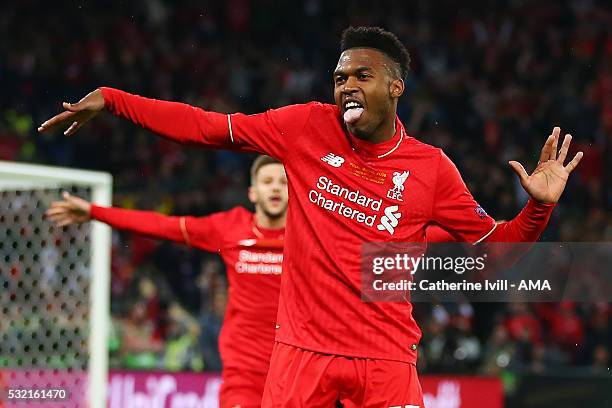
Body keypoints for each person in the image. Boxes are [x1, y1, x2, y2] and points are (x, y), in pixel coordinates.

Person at [39, 26, 582, 407]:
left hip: (385, 359)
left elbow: (501, 249)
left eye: (362, 76)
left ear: (395, 88)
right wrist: (113, 99)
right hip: (301, 353)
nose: (346, 85)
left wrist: (539, 206)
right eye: (340, 76)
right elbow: (207, 127)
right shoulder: (303, 128)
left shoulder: (432, 170)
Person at [46, 155, 288, 408]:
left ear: (294, 191)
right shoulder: (231, 227)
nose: (274, 188)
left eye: (283, 183)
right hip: (244, 374)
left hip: (293, 369)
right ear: (252, 192)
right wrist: (95, 212)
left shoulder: (307, 234)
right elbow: (162, 225)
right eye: (267, 181)